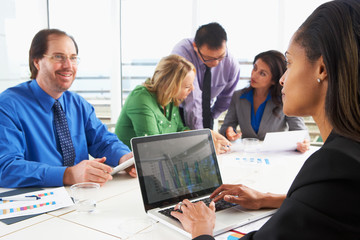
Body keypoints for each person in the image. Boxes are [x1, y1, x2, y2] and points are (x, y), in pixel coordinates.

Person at [171, 0, 360, 239]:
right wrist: (266, 199)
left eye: (289, 63)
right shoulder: (348, 155)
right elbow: (327, 204)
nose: (283, 79)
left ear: (322, 69)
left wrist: (201, 229)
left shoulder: (336, 166)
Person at [0, 29, 136, 188]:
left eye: (73, 58)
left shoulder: (78, 104)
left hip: (83, 198)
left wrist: (124, 158)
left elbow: (103, 141)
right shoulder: (8, 106)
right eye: (58, 57)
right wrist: (68, 174)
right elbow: (5, 167)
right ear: (36, 61)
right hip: (38, 203)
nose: (68, 66)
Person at [115, 54, 230, 154]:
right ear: (169, 86)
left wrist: (204, 135)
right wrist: (202, 146)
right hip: (129, 170)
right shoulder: (140, 98)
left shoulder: (170, 98)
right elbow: (153, 147)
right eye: (187, 86)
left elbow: (179, 130)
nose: (192, 89)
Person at [219, 50, 310, 153]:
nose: (254, 75)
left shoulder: (286, 99)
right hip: (247, 155)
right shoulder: (238, 96)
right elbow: (226, 127)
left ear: (274, 80)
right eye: (255, 68)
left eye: (262, 73)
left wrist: (302, 144)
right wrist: (228, 132)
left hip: (276, 156)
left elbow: (301, 133)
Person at [171, 22, 241, 130]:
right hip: (179, 109)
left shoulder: (231, 63)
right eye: (209, 58)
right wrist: (200, 135)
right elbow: (193, 99)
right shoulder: (182, 52)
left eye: (221, 57)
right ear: (195, 46)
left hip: (207, 112)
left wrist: (212, 115)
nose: (216, 63)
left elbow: (227, 96)